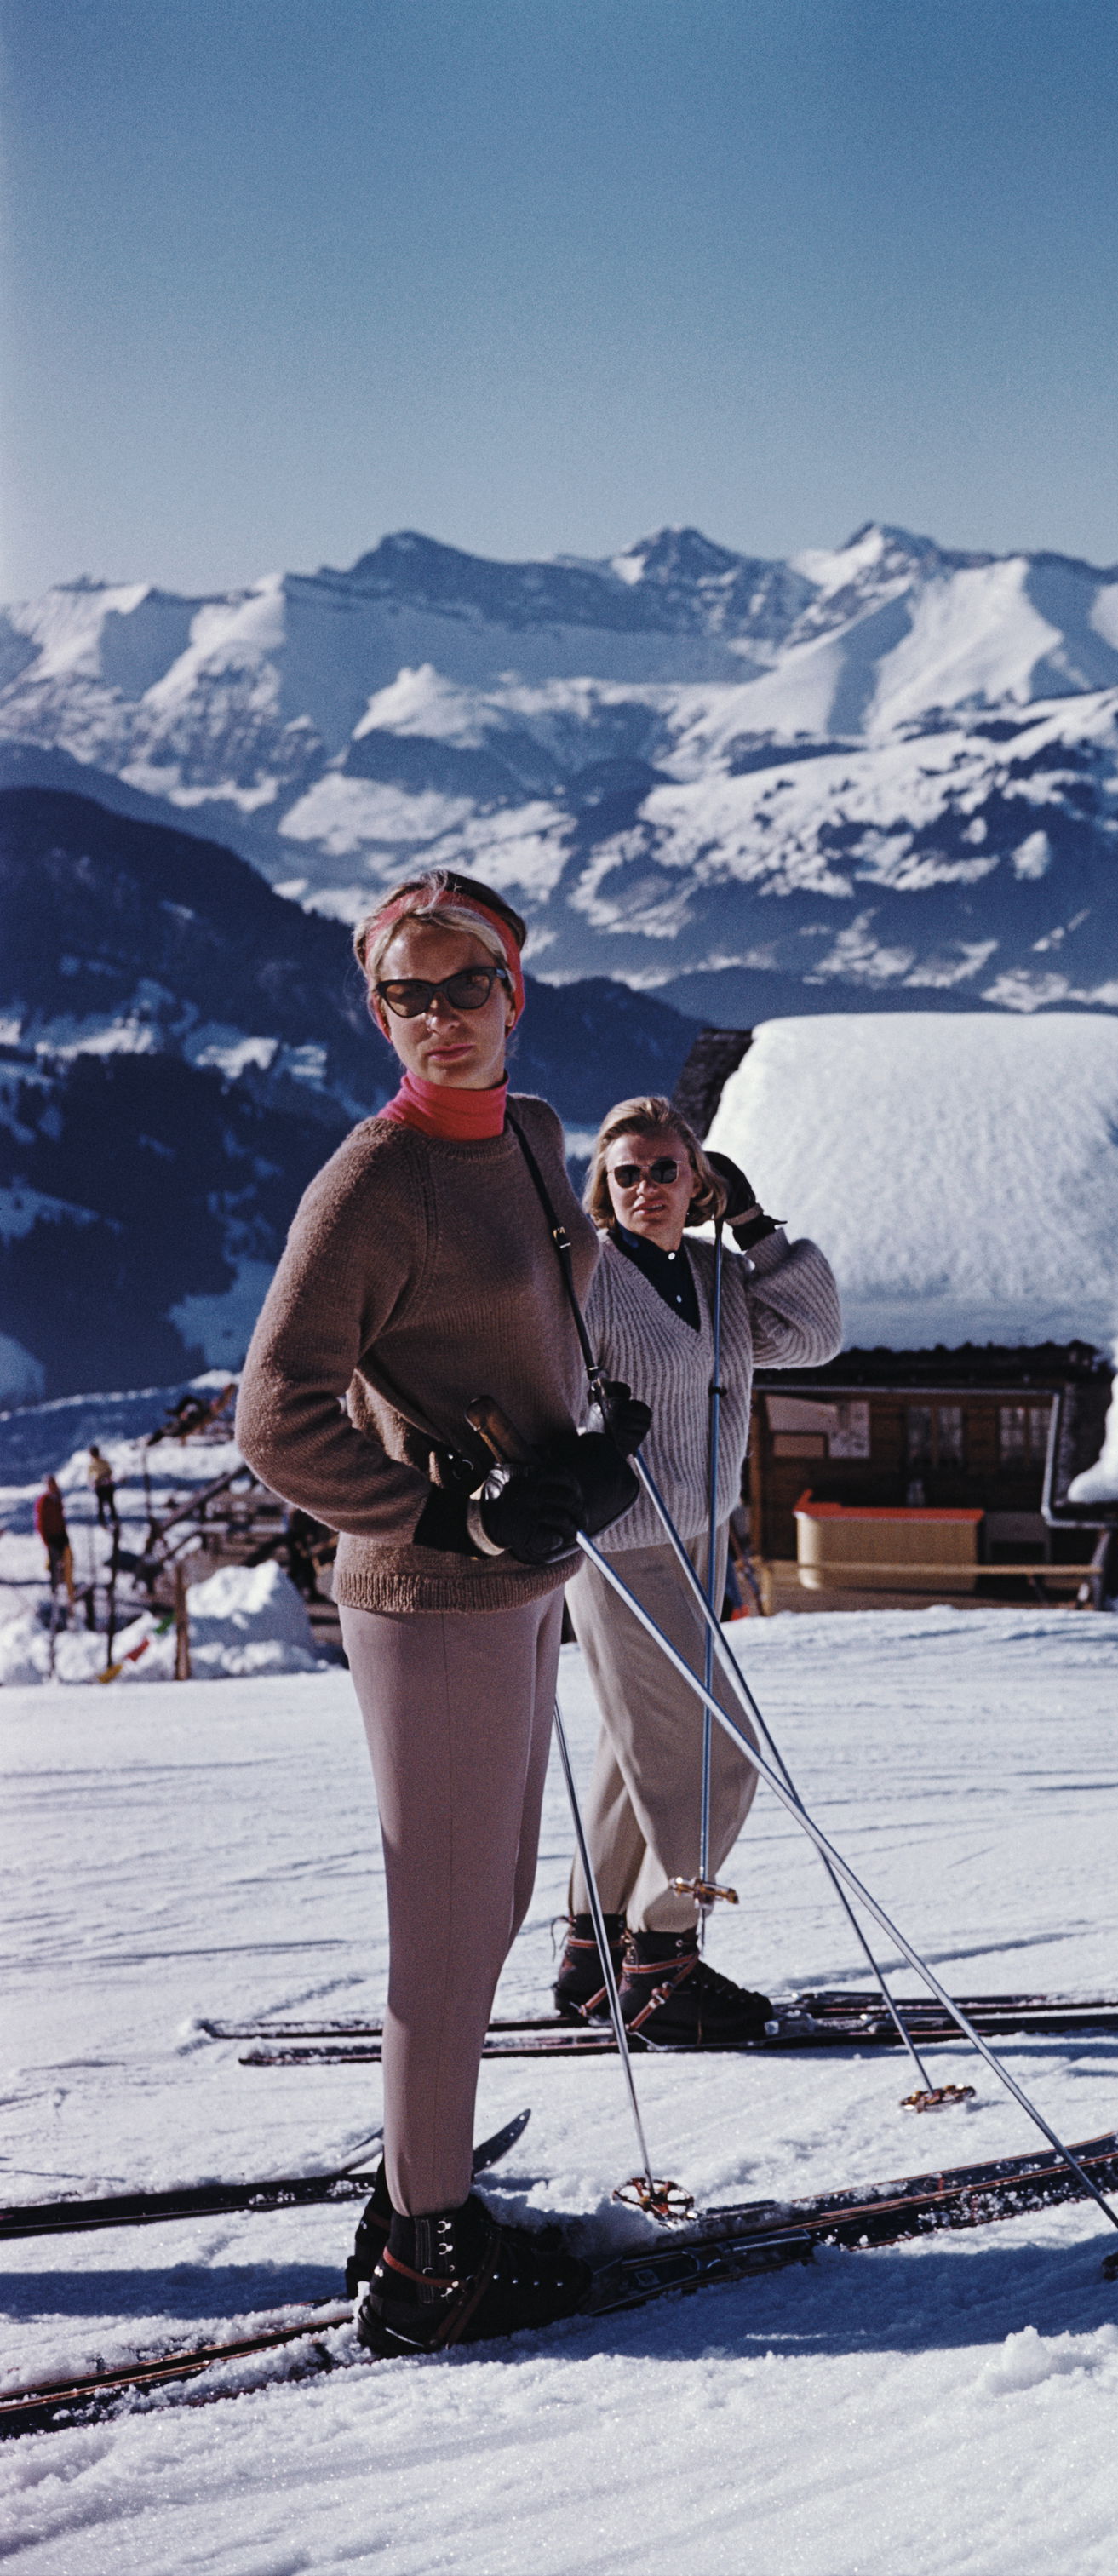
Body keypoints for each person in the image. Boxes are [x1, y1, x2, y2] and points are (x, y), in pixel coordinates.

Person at [237, 867, 648, 2358]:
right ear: (376, 1008)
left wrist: (586, 1442)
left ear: (514, 992)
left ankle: (425, 2189)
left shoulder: (536, 1141)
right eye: (404, 995)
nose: (436, 1022)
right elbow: (273, 1417)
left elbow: (543, 1318)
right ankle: (431, 2256)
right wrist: (446, 1511)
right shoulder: (372, 1179)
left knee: (489, 1900)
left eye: (461, 988)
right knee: (450, 1914)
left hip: (523, 1576)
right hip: (430, 1591)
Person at [553, 1096, 840, 2043]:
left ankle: (595, 1954)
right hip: (622, 1542)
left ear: (698, 1177)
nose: (645, 1188)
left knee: (637, 1752)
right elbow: (531, 1377)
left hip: (698, 1538)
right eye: (626, 1173)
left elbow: (812, 1336)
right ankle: (661, 1959)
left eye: (663, 1169)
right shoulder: (585, 1277)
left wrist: (756, 1231)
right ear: (602, 1184)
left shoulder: (715, 1274)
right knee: (717, 1759)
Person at [35, 1474, 72, 1596]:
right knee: (53, 1562)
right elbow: (40, 1521)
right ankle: (54, 1589)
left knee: (67, 1559)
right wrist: (45, 1539)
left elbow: (61, 1517)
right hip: (51, 1536)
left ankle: (68, 1584)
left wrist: (64, 1533)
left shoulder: (58, 1498)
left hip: (61, 1534)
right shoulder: (44, 1501)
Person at [87, 1447, 118, 1529]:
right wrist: (92, 1483)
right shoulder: (92, 1464)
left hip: (107, 1484)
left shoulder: (103, 1462)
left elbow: (110, 1471)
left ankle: (114, 1520)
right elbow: (89, 1476)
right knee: (101, 1504)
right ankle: (102, 1521)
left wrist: (107, 1478)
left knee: (110, 1503)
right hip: (99, 1485)